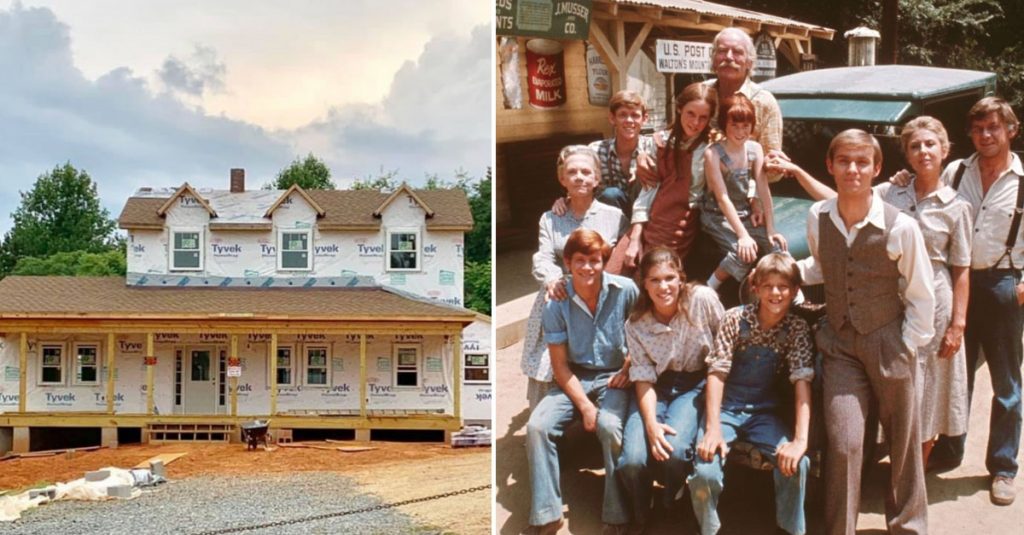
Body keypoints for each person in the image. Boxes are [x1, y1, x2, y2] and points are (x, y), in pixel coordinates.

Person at [770, 117, 972, 470]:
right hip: (877, 303)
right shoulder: (891, 191)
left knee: (923, 399)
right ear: (904, 155)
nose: (923, 151)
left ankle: (914, 477)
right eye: (914, 146)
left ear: (945, 150)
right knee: (891, 401)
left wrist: (957, 322)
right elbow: (840, 198)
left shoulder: (957, 205)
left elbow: (962, 268)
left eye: (930, 144)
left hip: (929, 301)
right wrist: (796, 173)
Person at [798, 129, 934, 534]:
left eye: (862, 163)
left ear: (876, 169)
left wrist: (906, 345)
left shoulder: (900, 226)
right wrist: (786, 271)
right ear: (830, 166)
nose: (852, 170)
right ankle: (840, 527)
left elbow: (921, 295)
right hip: (840, 345)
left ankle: (909, 525)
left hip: (888, 341)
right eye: (844, 161)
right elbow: (823, 269)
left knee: (902, 442)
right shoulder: (818, 216)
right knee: (844, 442)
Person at [929, 97, 1023, 506]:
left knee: (1006, 383)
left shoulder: (1022, 178)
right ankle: (951, 448)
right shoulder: (955, 171)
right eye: (978, 129)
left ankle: (1003, 466)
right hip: (958, 282)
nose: (985, 136)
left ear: (1010, 130)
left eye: (993, 128)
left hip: (1004, 283)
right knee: (954, 375)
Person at [689, 253, 813, 535]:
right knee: (705, 471)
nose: (775, 293)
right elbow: (717, 373)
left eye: (783, 287)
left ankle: (791, 528)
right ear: (755, 288)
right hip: (725, 408)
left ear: (794, 291)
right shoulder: (735, 319)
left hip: (762, 413)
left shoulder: (797, 329)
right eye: (768, 286)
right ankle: (708, 528)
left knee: (797, 463)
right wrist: (712, 429)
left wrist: (800, 440)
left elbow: (802, 382)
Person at [526, 228, 639, 534]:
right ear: (567, 262)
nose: (588, 268)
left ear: (604, 261)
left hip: (615, 376)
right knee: (537, 426)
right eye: (580, 260)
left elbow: (644, 334)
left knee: (610, 426)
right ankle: (547, 512)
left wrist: (629, 368)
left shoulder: (625, 290)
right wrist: (585, 407)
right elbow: (560, 367)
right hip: (575, 376)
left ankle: (617, 515)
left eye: (595, 260)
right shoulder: (556, 302)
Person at [617, 247, 725, 530]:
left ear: (680, 278)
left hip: (696, 383)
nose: (663, 286)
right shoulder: (637, 323)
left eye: (669, 278)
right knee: (633, 459)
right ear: (644, 283)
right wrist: (651, 424)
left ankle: (672, 498)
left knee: (675, 451)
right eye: (655, 280)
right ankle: (642, 510)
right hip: (657, 386)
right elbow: (642, 377)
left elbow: (725, 345)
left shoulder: (702, 299)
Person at [520, 145, 627, 408]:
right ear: (562, 179)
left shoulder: (614, 217)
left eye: (585, 171)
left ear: (597, 179)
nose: (579, 177)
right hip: (562, 293)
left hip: (597, 297)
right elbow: (543, 256)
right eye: (572, 172)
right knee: (550, 355)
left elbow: (622, 256)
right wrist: (553, 279)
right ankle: (547, 413)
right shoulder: (550, 218)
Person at [611, 83, 718, 272]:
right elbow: (647, 192)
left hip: (680, 224)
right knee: (613, 272)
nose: (695, 123)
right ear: (679, 109)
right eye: (690, 114)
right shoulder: (660, 142)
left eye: (703, 117)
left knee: (653, 274)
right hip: (650, 216)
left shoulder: (712, 148)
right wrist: (635, 237)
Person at [701, 94, 786, 292]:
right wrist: (743, 235)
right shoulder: (712, 153)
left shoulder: (755, 149)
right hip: (716, 213)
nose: (741, 132)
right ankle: (708, 289)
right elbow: (722, 198)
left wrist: (771, 228)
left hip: (744, 210)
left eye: (746, 126)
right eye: (735, 126)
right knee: (743, 252)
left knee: (777, 247)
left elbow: (763, 189)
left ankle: (796, 296)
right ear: (724, 124)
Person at [704, 27, 784, 181]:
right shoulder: (700, 94)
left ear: (749, 62)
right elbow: (676, 141)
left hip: (743, 200)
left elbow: (774, 172)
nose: (728, 57)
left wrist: (769, 164)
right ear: (713, 59)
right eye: (722, 51)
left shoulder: (764, 102)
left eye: (737, 52)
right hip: (695, 198)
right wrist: (645, 154)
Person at [588, 90, 659, 216]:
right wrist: (566, 200)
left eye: (635, 115)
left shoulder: (653, 147)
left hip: (647, 214)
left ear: (645, 118)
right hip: (609, 218)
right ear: (612, 118)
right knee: (611, 194)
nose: (629, 120)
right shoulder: (596, 151)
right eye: (622, 115)